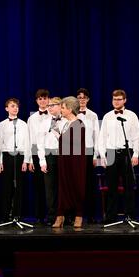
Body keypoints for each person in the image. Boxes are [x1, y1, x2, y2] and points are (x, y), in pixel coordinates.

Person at [98, 89, 139, 223]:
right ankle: (111, 216)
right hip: (110, 152)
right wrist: (102, 156)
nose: (116, 102)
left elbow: (136, 137)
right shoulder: (107, 116)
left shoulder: (132, 116)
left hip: (126, 152)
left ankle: (130, 215)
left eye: (119, 99)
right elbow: (102, 137)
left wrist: (136, 154)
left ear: (124, 100)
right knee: (111, 186)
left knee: (128, 186)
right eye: (114, 99)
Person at [52, 96, 86, 228]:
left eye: (63, 107)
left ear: (70, 109)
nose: (61, 109)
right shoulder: (65, 123)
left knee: (76, 186)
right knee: (63, 187)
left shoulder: (79, 124)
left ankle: (78, 215)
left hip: (75, 162)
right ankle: (60, 215)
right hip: (64, 160)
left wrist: (60, 138)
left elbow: (75, 145)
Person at [0, 98, 31, 222]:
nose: (15, 108)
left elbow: (27, 142)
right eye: (12, 106)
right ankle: (5, 215)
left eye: (16, 106)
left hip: (20, 156)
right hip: (6, 156)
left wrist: (26, 160)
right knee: (6, 186)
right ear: (7, 108)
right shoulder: (2, 124)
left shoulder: (23, 124)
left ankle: (17, 214)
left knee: (19, 187)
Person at [37, 97, 67, 226]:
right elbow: (40, 143)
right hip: (49, 156)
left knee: (64, 187)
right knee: (50, 188)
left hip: (64, 156)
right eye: (48, 105)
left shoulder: (67, 121)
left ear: (60, 106)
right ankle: (52, 216)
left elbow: (71, 142)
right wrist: (42, 161)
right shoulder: (44, 123)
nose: (49, 107)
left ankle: (66, 216)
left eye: (53, 105)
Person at [76, 88, 100, 223]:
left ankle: (90, 215)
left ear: (88, 99)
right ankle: (76, 215)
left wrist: (96, 155)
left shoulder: (93, 115)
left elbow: (97, 136)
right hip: (75, 152)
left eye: (84, 97)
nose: (82, 100)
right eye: (79, 97)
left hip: (89, 152)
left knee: (89, 185)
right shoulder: (72, 114)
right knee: (76, 184)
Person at [27, 89, 51, 224]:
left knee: (51, 185)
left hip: (50, 151)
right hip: (36, 153)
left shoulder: (54, 115)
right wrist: (30, 159)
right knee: (39, 186)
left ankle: (52, 216)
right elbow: (30, 139)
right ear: (37, 101)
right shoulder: (32, 118)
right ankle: (39, 216)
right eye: (40, 98)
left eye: (45, 98)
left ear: (49, 100)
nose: (42, 101)